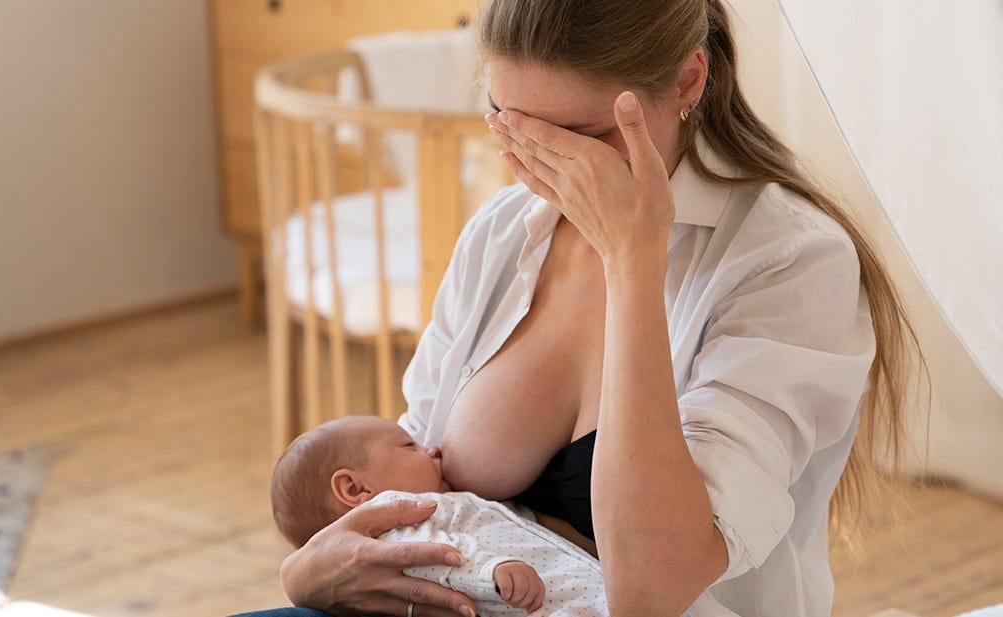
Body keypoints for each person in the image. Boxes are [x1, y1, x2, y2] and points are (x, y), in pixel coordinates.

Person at [268, 0, 926, 616]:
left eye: (578, 136)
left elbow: (651, 587)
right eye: (509, 121)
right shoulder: (506, 227)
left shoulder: (792, 263)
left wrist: (632, 260)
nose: (538, 162)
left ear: (688, 81)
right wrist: (303, 575)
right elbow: (407, 494)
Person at [269, 415, 616, 616]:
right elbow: (438, 556)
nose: (432, 447)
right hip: (542, 601)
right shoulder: (395, 524)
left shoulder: (436, 506)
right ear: (356, 490)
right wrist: (489, 572)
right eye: (410, 446)